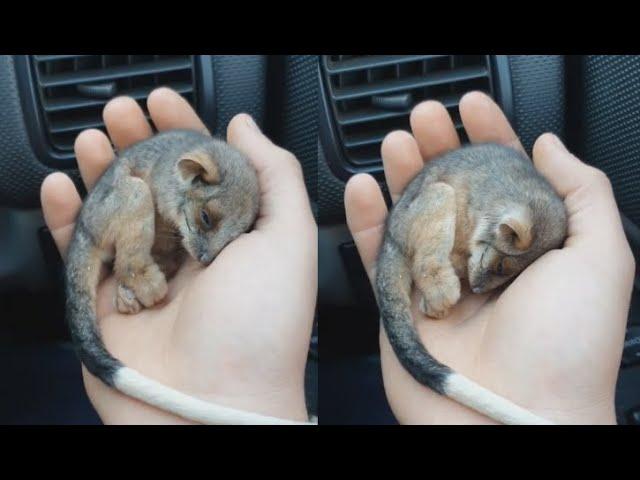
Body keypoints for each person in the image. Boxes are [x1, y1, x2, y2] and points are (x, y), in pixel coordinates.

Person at [344, 91, 636, 424]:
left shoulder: (524, 233)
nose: (483, 287)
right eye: (498, 269)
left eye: (502, 276)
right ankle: (431, 272)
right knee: (439, 196)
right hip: (422, 217)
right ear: (508, 231)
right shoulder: (505, 220)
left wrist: (561, 405)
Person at [40, 87, 317, 424]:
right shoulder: (184, 172)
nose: (207, 253)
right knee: (136, 194)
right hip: (114, 210)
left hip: (138, 233)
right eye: (207, 220)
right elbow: (161, 195)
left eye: (227, 240)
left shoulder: (210, 204)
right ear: (194, 174)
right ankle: (133, 273)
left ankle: (132, 284)